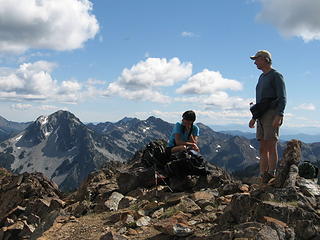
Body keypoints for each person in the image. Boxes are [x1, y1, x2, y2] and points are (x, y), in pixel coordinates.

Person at [248, 50, 286, 182]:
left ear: (265, 59)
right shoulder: (262, 77)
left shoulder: (276, 75)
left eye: (257, 59)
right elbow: (261, 102)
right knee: (262, 147)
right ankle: (262, 175)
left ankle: (271, 174)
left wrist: (279, 114)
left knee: (271, 144)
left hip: (271, 113)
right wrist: (254, 117)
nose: (255, 62)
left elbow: (282, 97)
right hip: (261, 114)